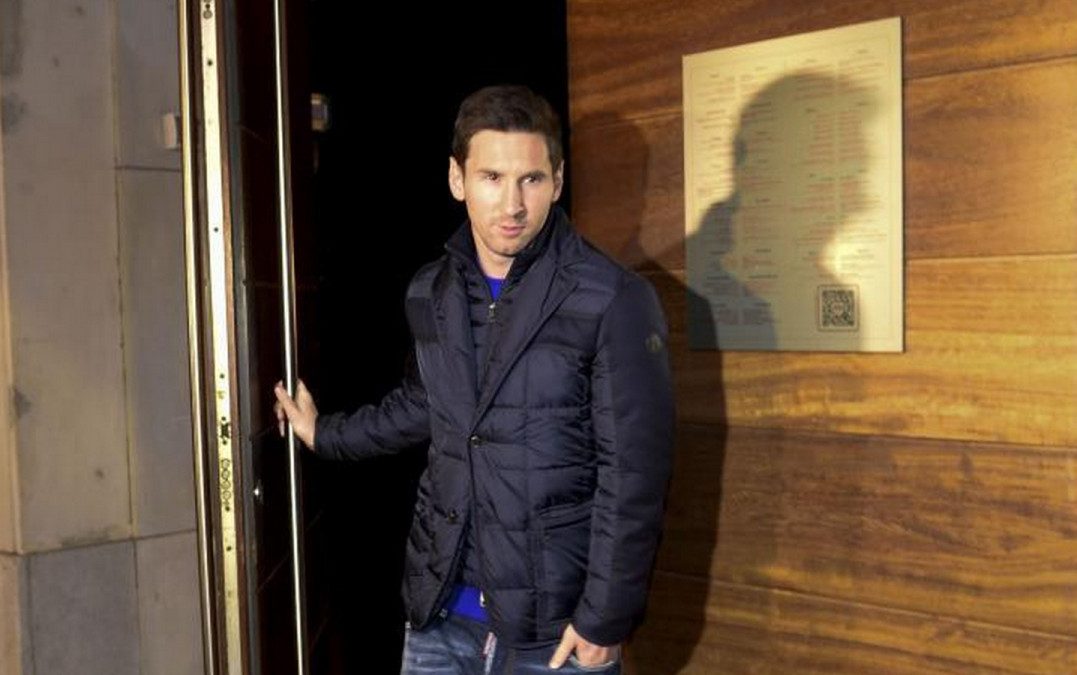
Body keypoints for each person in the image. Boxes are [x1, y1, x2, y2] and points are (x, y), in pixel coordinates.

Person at [274, 84, 673, 674]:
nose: (512, 204)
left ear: (558, 181)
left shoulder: (612, 298)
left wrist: (604, 619)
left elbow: (635, 473)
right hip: (439, 614)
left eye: (531, 179)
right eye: (491, 177)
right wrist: (324, 434)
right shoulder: (430, 291)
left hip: (553, 631)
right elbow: (422, 405)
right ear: (457, 179)